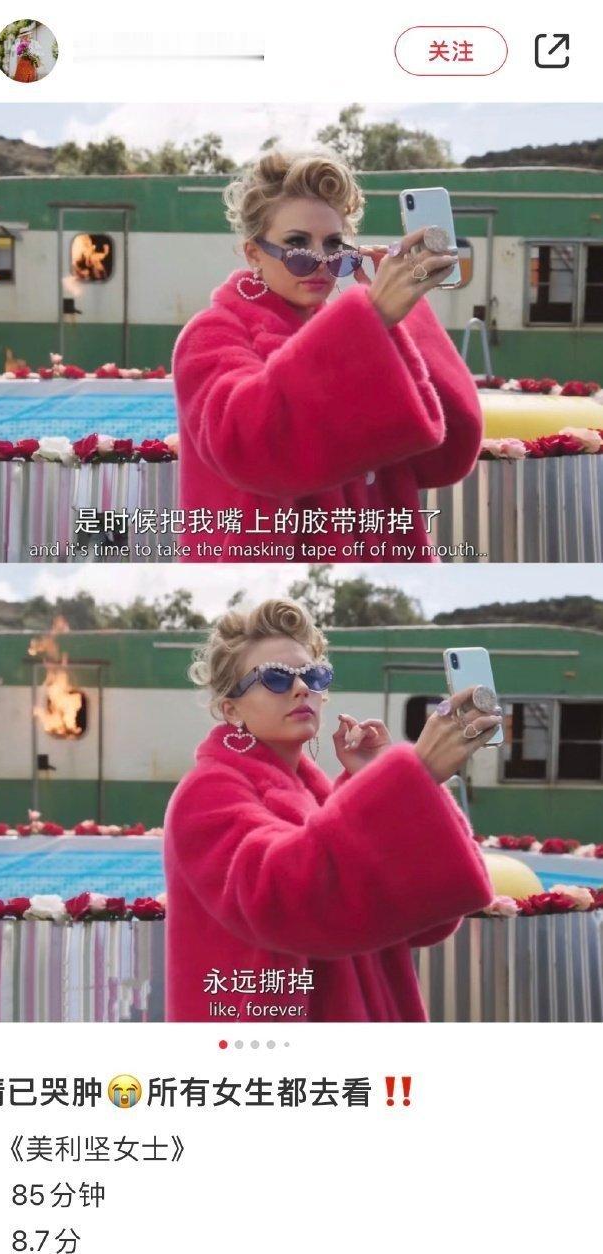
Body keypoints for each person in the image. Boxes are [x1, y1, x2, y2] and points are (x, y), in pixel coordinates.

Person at [164, 600, 499, 1021]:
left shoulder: (313, 793)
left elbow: (422, 920)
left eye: (314, 675)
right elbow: (282, 900)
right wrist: (410, 777)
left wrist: (372, 781)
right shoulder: (206, 793)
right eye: (275, 677)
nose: (301, 688)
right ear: (232, 709)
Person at [173, 149, 483, 563]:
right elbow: (250, 446)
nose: (319, 261)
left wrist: (402, 318)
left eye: (334, 245)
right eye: (297, 244)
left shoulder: (355, 337)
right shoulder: (212, 334)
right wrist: (372, 318)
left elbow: (447, 457)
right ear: (254, 254)